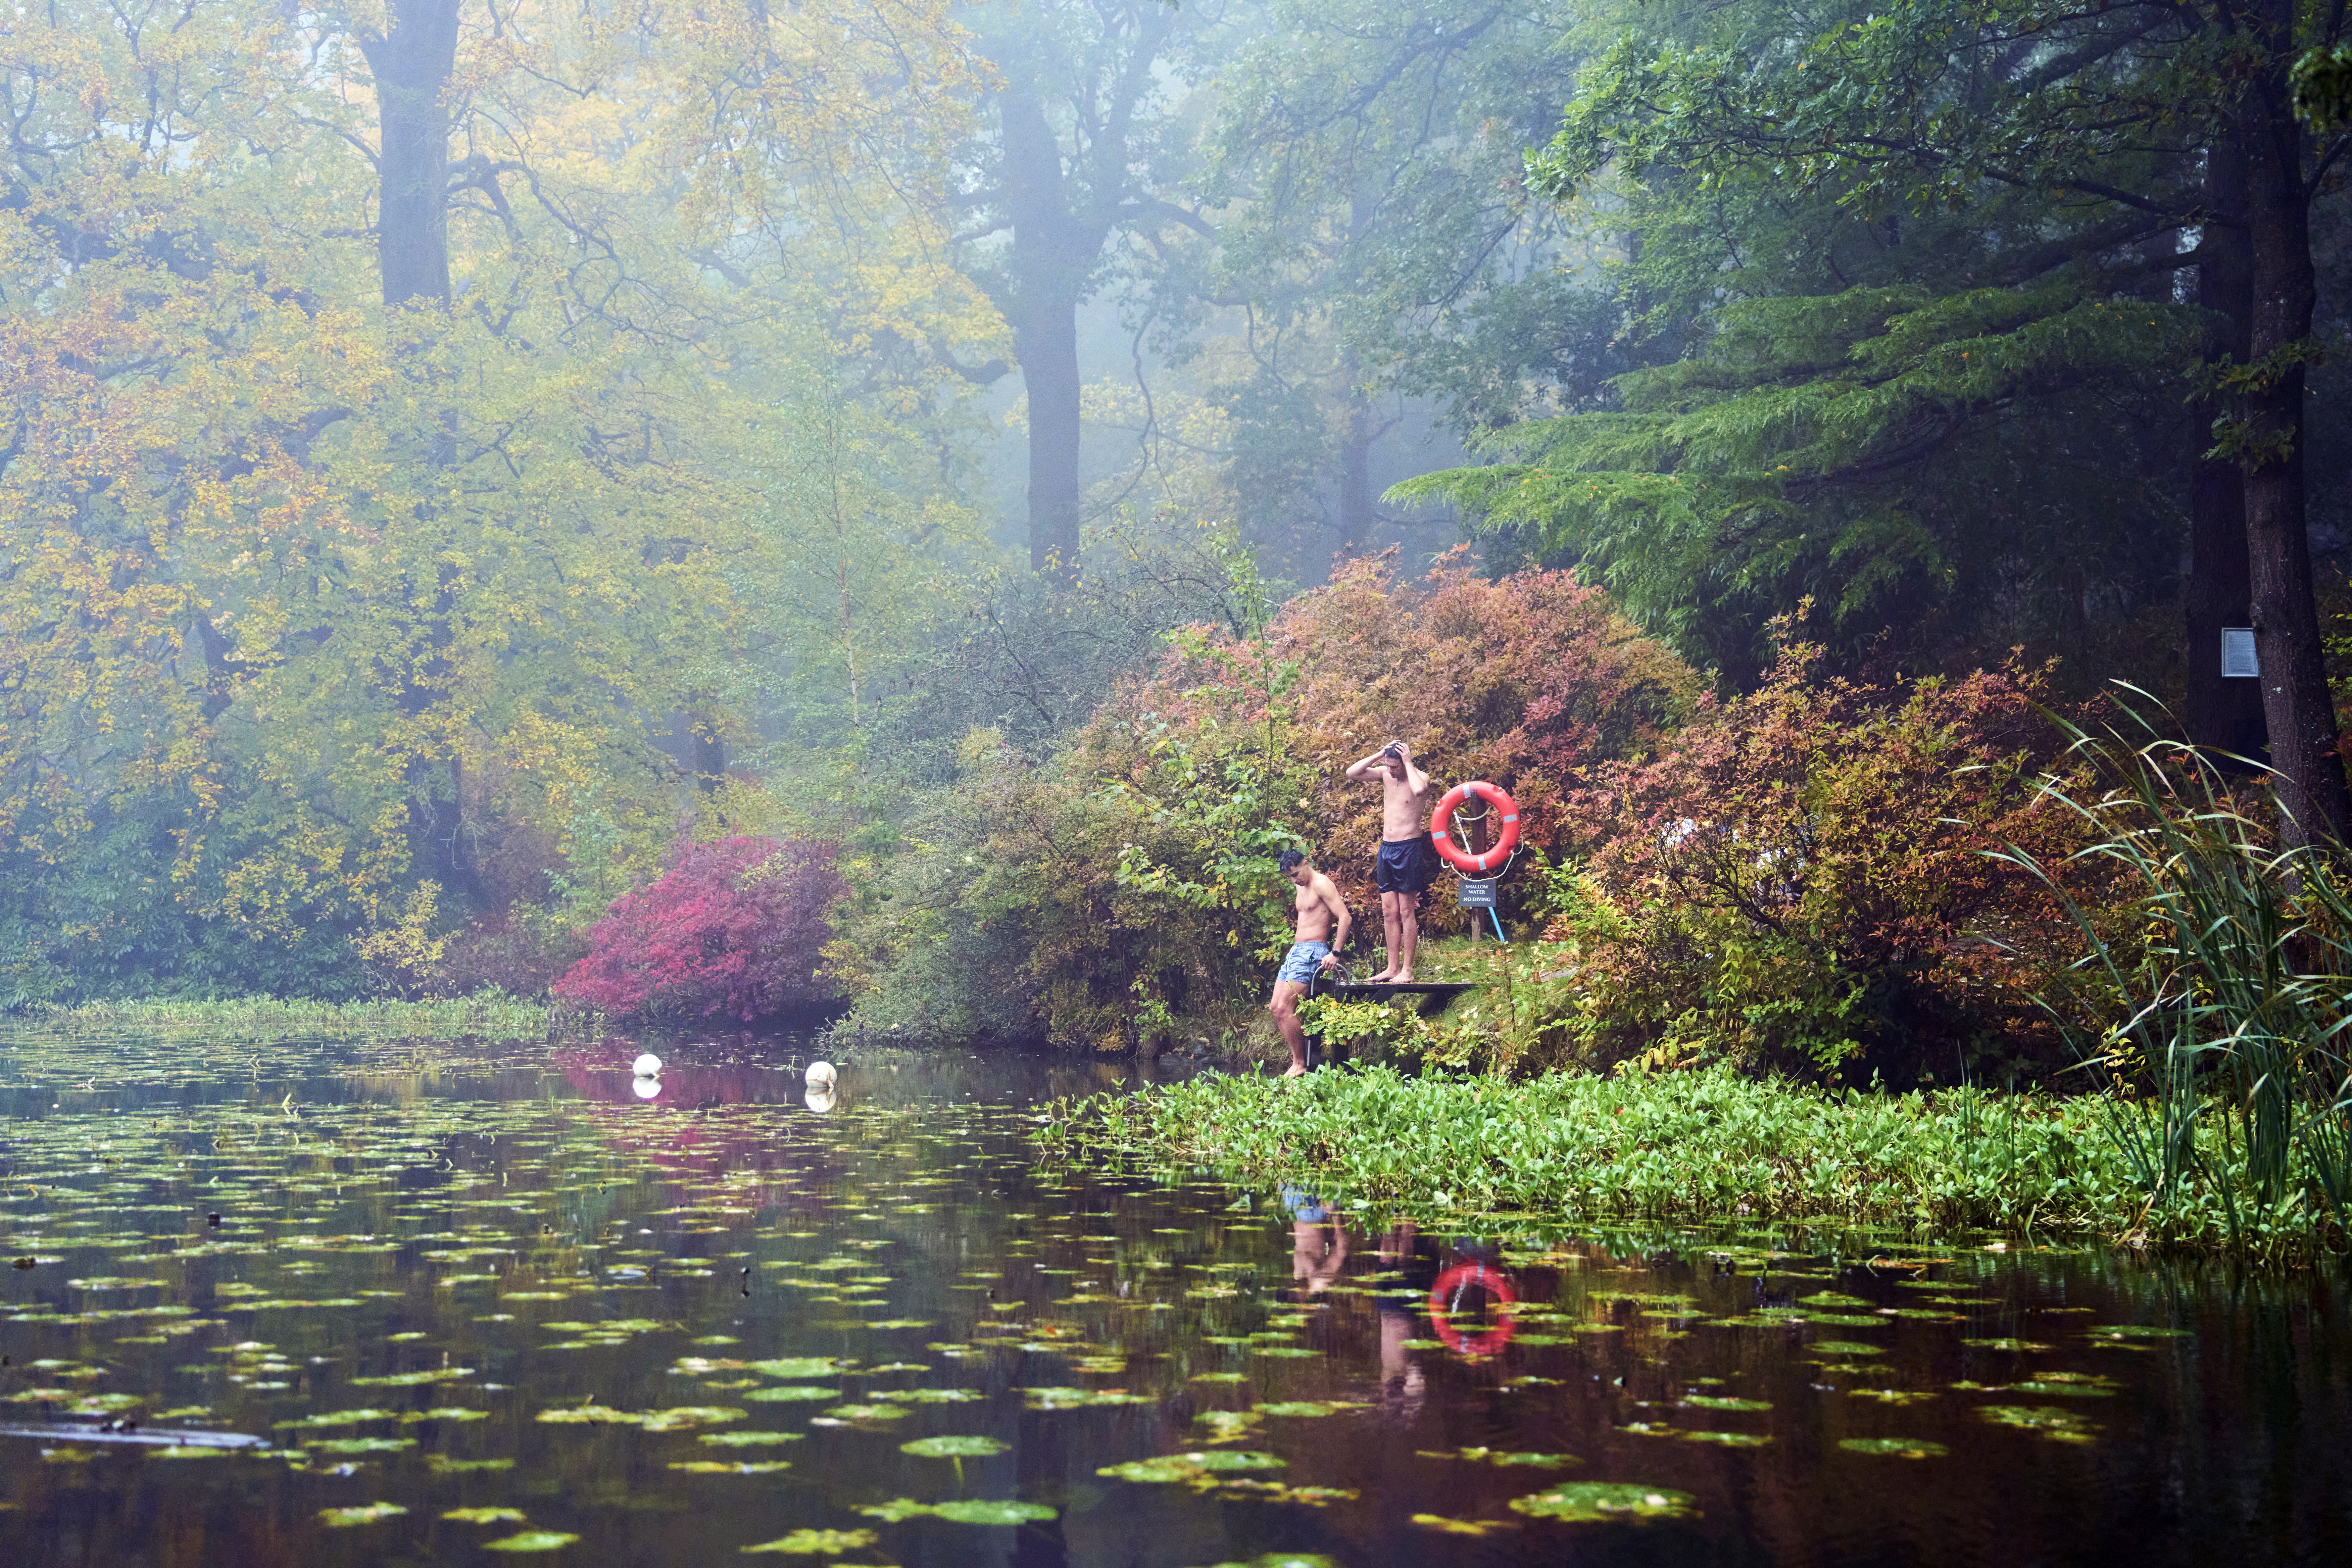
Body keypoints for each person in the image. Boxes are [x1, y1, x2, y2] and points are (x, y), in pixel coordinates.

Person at [1344, 740, 1434, 982]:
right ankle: (1392, 968)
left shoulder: (1420, 777)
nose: (1392, 771)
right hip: (1387, 849)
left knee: (1406, 911)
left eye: (1395, 766)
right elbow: (1352, 773)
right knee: (1389, 912)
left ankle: (1408, 970)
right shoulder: (1385, 774)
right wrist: (1379, 754)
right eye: (1389, 766)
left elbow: (1418, 791)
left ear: (1404, 762)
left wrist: (1407, 762)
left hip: (1409, 849)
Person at [1268, 847, 1349, 1078]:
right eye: (1289, 877)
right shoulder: (1299, 885)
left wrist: (1335, 953)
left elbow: (1345, 917)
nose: (1294, 880)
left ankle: (1300, 1063)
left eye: (1295, 874)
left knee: (1285, 1007)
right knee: (1275, 1008)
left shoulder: (1322, 885)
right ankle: (1298, 1061)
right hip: (1296, 952)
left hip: (1314, 952)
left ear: (1306, 863)